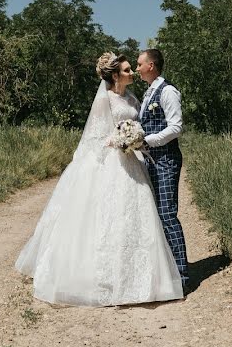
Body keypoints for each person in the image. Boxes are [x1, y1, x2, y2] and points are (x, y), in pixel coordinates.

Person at [14, 52, 184, 306]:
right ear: (115, 75)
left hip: (132, 161)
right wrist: (117, 140)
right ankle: (105, 277)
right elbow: (94, 136)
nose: (132, 73)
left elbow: (144, 125)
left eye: (134, 67)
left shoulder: (134, 97)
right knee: (109, 218)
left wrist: (135, 139)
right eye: (127, 70)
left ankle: (149, 275)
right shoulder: (105, 101)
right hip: (112, 161)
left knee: (143, 216)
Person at [136, 48, 189, 289]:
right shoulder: (148, 93)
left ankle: (182, 277)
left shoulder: (168, 91)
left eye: (140, 64)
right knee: (157, 216)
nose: (137, 69)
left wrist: (148, 140)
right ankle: (168, 273)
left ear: (152, 65)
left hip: (166, 160)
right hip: (151, 161)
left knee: (168, 215)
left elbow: (176, 127)